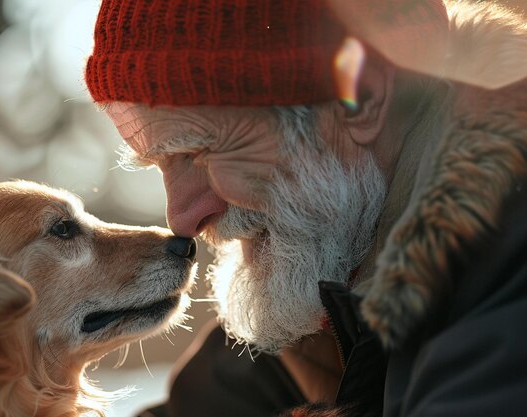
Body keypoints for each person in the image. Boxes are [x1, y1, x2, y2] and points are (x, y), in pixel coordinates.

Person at [84, 1, 527, 416]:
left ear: (363, 96)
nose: (180, 217)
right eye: (159, 162)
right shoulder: (327, 259)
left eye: (198, 151)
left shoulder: (508, 262)